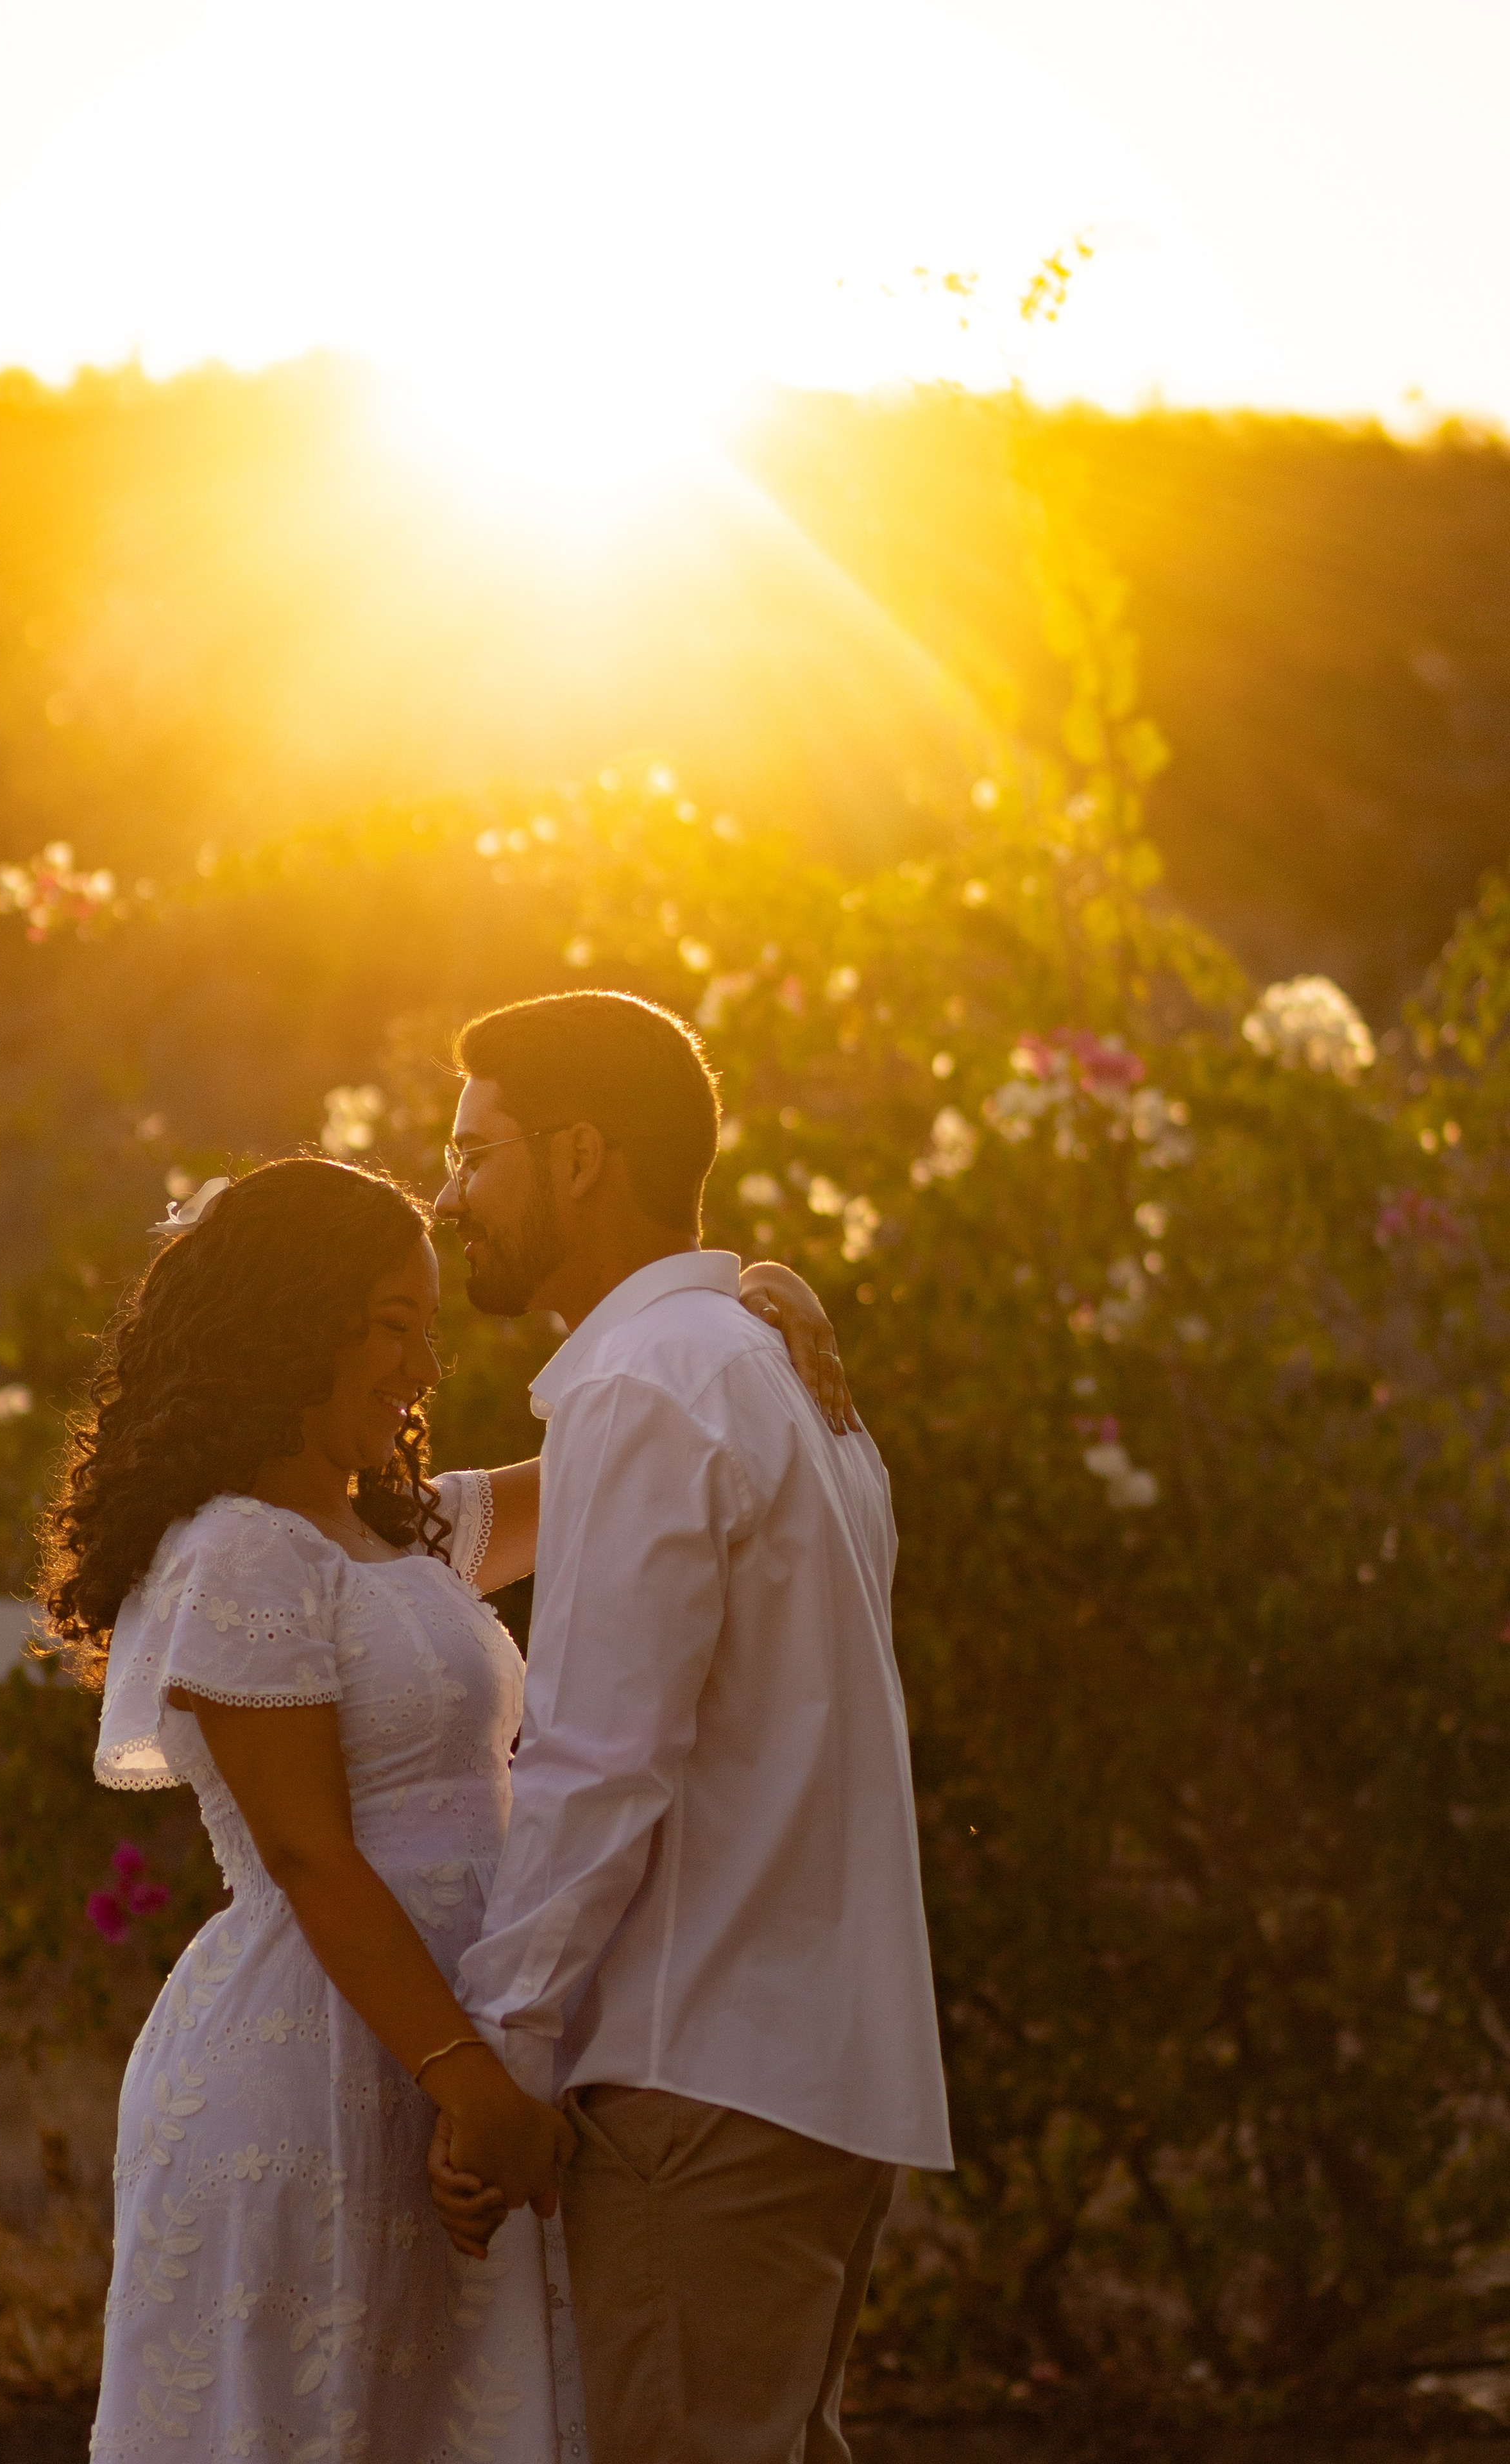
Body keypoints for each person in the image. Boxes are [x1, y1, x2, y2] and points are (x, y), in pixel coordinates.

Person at [39, 1153, 843, 2462]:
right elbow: (308, 1854)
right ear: (291, 1322)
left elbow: (609, 1466)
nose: (422, 1369)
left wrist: (736, 1321)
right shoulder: (241, 1545)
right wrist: (468, 2079)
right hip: (328, 2059)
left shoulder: (395, 1531)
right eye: (393, 1328)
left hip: (453, 2050)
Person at [429, 992, 954, 2464]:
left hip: (694, 2070)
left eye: (473, 1150)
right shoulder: (766, 1371)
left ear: (579, 1155)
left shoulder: (654, 1382)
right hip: (806, 2069)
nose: (448, 1191)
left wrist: (503, 2060)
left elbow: (599, 1761)